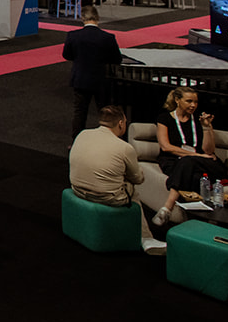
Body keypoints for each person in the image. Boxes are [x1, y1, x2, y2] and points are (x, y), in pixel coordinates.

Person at [68, 106, 160, 254]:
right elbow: (138, 179)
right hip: (105, 196)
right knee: (133, 190)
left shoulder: (83, 134)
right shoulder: (124, 147)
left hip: (77, 189)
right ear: (121, 123)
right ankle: (146, 238)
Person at [149, 86, 226, 228]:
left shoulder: (199, 120)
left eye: (195, 102)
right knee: (194, 175)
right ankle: (200, 223)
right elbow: (166, 147)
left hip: (200, 162)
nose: (193, 105)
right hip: (174, 160)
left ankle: (167, 208)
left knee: (190, 163)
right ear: (177, 100)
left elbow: (208, 151)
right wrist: (196, 155)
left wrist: (206, 127)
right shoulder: (164, 118)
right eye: (189, 101)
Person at [63, 5, 123, 138]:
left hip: (80, 79)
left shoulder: (73, 36)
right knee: (105, 112)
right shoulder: (108, 37)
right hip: (101, 80)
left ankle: (76, 141)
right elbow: (117, 59)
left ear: (82, 18)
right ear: (97, 18)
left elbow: (66, 55)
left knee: (80, 112)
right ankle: (107, 140)